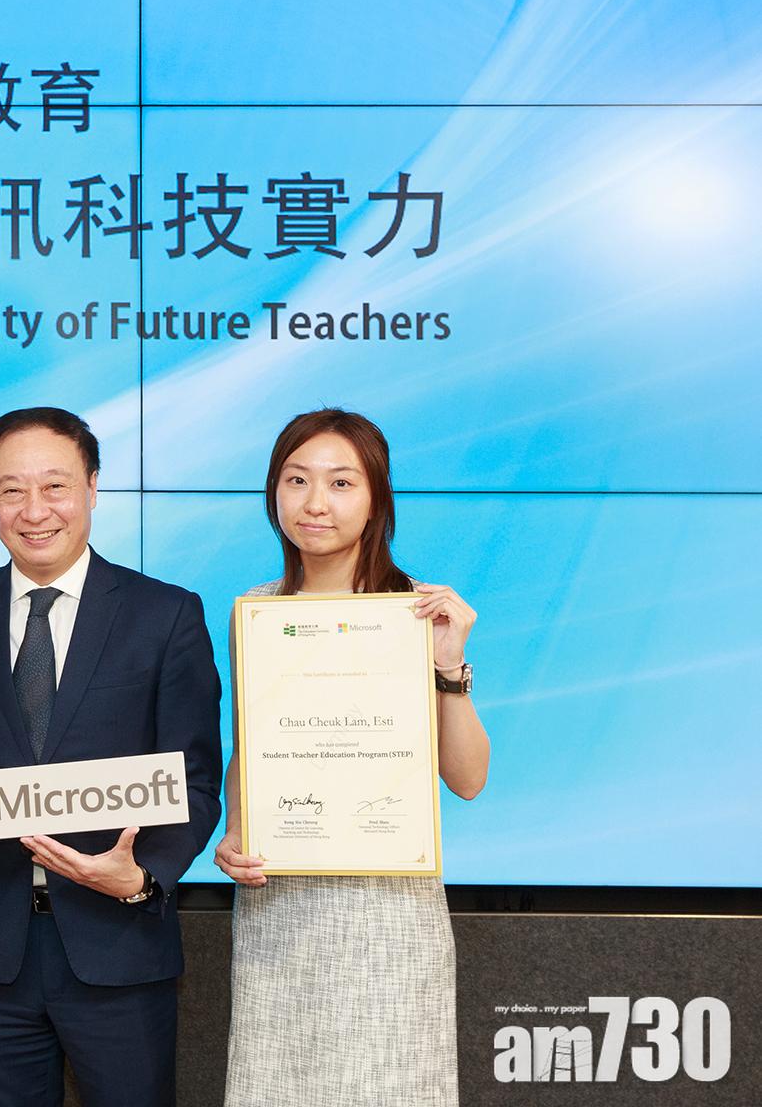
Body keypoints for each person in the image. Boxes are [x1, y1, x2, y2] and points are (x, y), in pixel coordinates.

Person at [0, 407, 222, 1107]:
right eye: (11, 490)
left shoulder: (165, 615)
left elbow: (195, 781)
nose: (34, 510)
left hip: (121, 944)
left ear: (93, 487)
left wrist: (141, 879)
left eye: (55, 486)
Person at [215, 408, 489, 1107]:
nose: (315, 502)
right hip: (281, 906)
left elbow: (468, 779)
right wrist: (237, 830)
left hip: (388, 913)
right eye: (296, 480)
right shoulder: (257, 609)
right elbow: (251, 750)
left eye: (341, 483)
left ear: (376, 500)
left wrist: (448, 667)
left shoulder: (419, 609)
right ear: (274, 493)